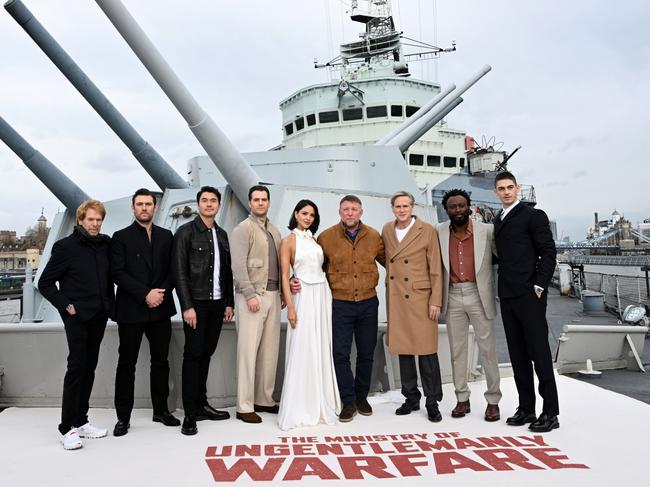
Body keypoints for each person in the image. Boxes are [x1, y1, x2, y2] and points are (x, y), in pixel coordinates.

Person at [38, 200, 114, 450]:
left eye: (98, 219)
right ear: (80, 220)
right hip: (77, 317)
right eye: (90, 219)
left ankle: (82, 420)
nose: (95, 223)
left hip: (99, 315)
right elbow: (46, 283)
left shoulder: (104, 246)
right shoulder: (65, 247)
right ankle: (67, 428)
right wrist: (67, 306)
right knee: (76, 369)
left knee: (89, 367)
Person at [493, 171, 559, 432]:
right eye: (502, 188)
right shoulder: (499, 219)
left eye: (510, 187)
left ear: (517, 189)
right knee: (518, 355)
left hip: (530, 295)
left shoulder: (533, 216)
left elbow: (548, 251)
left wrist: (539, 284)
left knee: (539, 354)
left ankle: (550, 412)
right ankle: (527, 408)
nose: (507, 192)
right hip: (507, 295)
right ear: (496, 192)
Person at [111, 188, 180, 437]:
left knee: (160, 362)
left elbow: (174, 269)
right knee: (126, 364)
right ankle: (123, 418)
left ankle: (161, 411)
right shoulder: (120, 237)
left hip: (160, 309)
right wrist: (145, 294)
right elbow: (117, 273)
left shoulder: (166, 235)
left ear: (155, 207)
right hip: (131, 310)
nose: (144, 208)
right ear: (133, 208)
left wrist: (159, 293)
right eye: (139, 204)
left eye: (148, 204)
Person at [315, 195, 385, 422]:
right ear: (339, 212)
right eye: (345, 209)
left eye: (354, 209)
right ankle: (348, 400)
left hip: (367, 302)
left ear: (361, 212)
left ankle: (362, 397)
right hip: (339, 303)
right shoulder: (325, 237)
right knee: (340, 354)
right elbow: (315, 268)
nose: (350, 213)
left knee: (366, 353)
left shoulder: (374, 236)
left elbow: (392, 263)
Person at [172, 186, 234, 436]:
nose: (209, 204)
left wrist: (228, 302)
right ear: (198, 205)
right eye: (205, 201)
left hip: (217, 304)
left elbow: (226, 272)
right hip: (196, 303)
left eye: (213, 201)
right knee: (193, 355)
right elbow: (179, 272)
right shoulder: (185, 232)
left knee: (206, 353)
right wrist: (187, 306)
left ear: (218, 205)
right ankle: (189, 414)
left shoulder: (221, 234)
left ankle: (201, 405)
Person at [437, 189, 502, 422]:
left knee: (488, 350)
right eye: (453, 206)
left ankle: (493, 401)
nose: (457, 210)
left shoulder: (487, 231)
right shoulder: (439, 231)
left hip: (478, 293)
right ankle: (461, 398)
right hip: (452, 295)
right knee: (458, 352)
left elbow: (503, 255)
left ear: (469, 206)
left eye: (461, 205)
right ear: (447, 209)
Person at [277, 200, 341, 430]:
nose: (308, 218)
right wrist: (291, 308)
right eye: (304, 213)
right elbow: (285, 275)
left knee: (321, 345)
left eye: (312, 215)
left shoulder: (314, 240)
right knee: (302, 346)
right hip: (303, 296)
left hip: (322, 294)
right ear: (295, 214)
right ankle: (300, 405)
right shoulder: (288, 241)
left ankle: (321, 400)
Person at [381, 191, 444, 422]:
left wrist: (436, 299)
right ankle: (411, 397)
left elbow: (435, 267)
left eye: (405, 206)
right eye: (397, 206)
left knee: (427, 351)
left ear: (412, 207)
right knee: (404, 350)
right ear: (392, 208)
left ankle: (432, 400)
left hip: (420, 296)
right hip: (397, 296)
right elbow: (387, 257)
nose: (402, 210)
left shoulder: (426, 230)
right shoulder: (387, 229)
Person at [231, 185, 283, 424]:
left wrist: (283, 293)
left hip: (273, 295)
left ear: (269, 203)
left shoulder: (274, 230)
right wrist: (250, 294)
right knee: (248, 352)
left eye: (264, 199)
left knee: (269, 352)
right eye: (256, 200)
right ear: (250, 203)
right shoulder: (243, 229)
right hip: (252, 296)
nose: (260, 203)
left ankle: (264, 399)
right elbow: (238, 266)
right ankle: (244, 406)